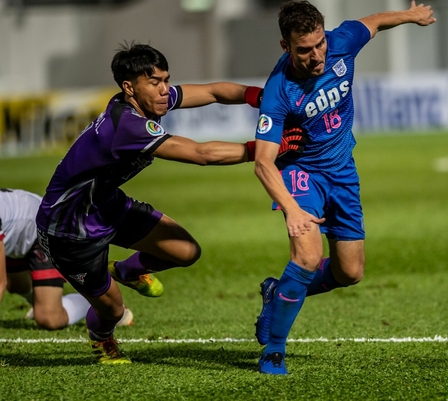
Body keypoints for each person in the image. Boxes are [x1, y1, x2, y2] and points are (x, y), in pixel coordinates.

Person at [35, 43, 305, 365]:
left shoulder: (144, 101)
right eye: (155, 83)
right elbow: (201, 154)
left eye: (166, 80)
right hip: (69, 230)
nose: (165, 89)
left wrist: (262, 98)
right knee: (113, 310)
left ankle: (125, 270)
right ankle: (101, 338)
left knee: (186, 251)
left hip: (106, 207)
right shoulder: (127, 126)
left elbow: (213, 91)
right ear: (129, 87)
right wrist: (267, 147)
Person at [253, 0, 437, 374]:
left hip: (342, 173)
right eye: (305, 49)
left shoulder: (342, 41)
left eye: (320, 43)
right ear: (286, 46)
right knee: (307, 257)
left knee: (349, 273)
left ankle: (278, 291)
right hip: (301, 173)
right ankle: (274, 349)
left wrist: (411, 16)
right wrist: (292, 208)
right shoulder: (279, 91)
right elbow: (262, 162)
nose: (317, 55)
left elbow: (375, 21)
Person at [0, 188, 133, 330]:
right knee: (18, 286)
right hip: (16, 233)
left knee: (49, 318)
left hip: (43, 229)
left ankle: (103, 303)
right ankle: (43, 300)